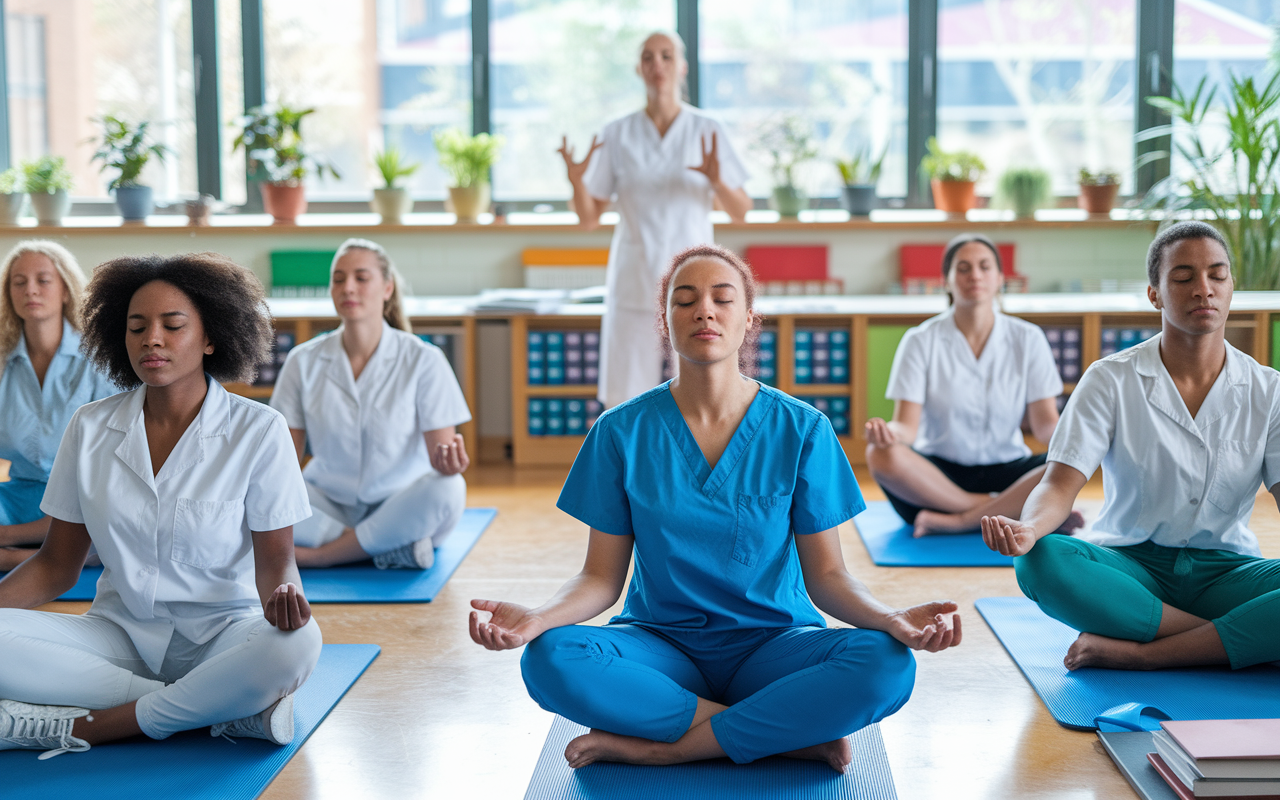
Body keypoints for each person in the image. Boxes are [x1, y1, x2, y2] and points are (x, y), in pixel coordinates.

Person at [469, 244, 960, 772]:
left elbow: (828, 577)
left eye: (722, 299)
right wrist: (538, 619)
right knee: (550, 659)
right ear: (665, 320)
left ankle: (675, 747)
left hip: (776, 645)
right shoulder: (620, 431)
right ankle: (783, 733)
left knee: (886, 663)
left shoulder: (802, 429)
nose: (705, 310)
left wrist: (891, 620)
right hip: (660, 645)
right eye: (685, 300)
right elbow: (600, 579)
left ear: (748, 318)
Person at [0, 252, 321, 758]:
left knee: (298, 645)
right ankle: (219, 710)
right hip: (116, 638)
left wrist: (284, 602)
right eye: (136, 327)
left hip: (224, 637)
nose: (152, 338)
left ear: (211, 337)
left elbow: (276, 563)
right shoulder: (88, 426)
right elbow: (57, 566)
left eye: (173, 326)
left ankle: (93, 725)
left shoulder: (259, 431)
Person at [982, 221, 1280, 671]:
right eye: (1183, 278)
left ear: (1231, 286)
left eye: (1217, 275)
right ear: (1155, 294)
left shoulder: (1269, 390)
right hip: (1130, 569)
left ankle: (1149, 653)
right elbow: (1060, 483)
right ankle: (1233, 640)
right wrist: (1030, 528)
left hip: (1228, 570)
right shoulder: (1110, 378)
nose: (1204, 289)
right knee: (1040, 560)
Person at [560, 30, 752, 408]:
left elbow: (741, 211)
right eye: (648, 57)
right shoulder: (617, 134)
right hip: (636, 280)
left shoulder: (707, 129)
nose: (657, 64)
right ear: (638, 68)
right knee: (627, 397)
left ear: (681, 67)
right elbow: (588, 218)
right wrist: (576, 182)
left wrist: (716, 180)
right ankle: (631, 466)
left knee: (700, 390)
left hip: (697, 284)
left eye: (666, 56)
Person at [270, 239, 471, 570]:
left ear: (387, 288)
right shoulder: (302, 360)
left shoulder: (424, 360)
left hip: (399, 503)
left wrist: (450, 464)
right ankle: (385, 547)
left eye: (361, 278)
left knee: (448, 488)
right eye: (338, 279)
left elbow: (441, 459)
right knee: (256, 493)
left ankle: (322, 556)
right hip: (326, 502)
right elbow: (285, 460)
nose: (348, 287)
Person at [865, 233, 1082, 537]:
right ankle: (993, 509)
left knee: (1064, 465)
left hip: (1010, 473)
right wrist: (887, 434)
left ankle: (960, 521)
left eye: (984, 266)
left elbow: (1046, 427)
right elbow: (906, 428)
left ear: (999, 279)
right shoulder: (920, 340)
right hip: (937, 480)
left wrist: (1081, 444)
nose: (975, 275)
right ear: (947, 280)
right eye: (963, 268)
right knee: (880, 453)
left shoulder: (1028, 338)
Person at [0, 241, 116, 570]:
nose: (30, 290)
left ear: (65, 290)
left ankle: (12, 554)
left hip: (84, 499)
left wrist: (5, 537)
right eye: (18, 282)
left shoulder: (98, 359)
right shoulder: (2, 362)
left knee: (115, 518)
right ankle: (50, 555)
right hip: (20, 495)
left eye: (43, 280)